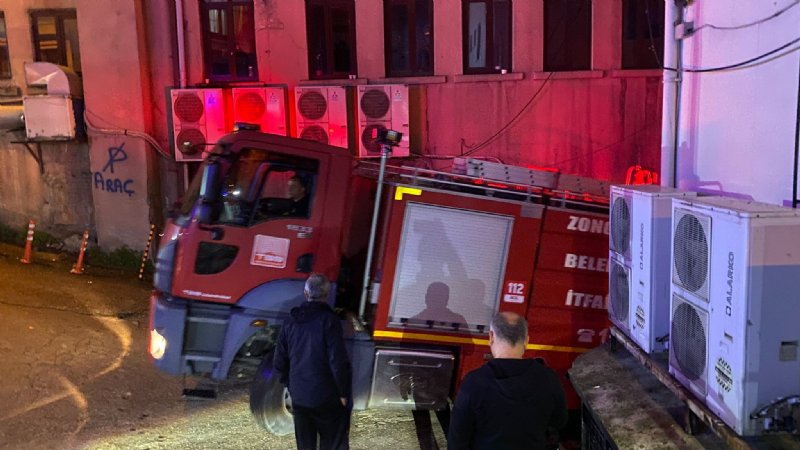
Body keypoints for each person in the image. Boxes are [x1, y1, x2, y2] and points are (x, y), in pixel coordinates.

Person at [447, 312, 567, 450]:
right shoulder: (549, 379)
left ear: (491, 337)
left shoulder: (474, 382)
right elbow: (560, 421)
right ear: (526, 341)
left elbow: (457, 440)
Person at [274, 274, 352, 450]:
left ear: (305, 293)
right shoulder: (329, 321)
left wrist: (291, 385)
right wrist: (343, 393)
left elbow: (279, 361)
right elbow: (337, 361)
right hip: (326, 397)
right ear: (327, 294)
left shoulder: (290, 321)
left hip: (300, 397)